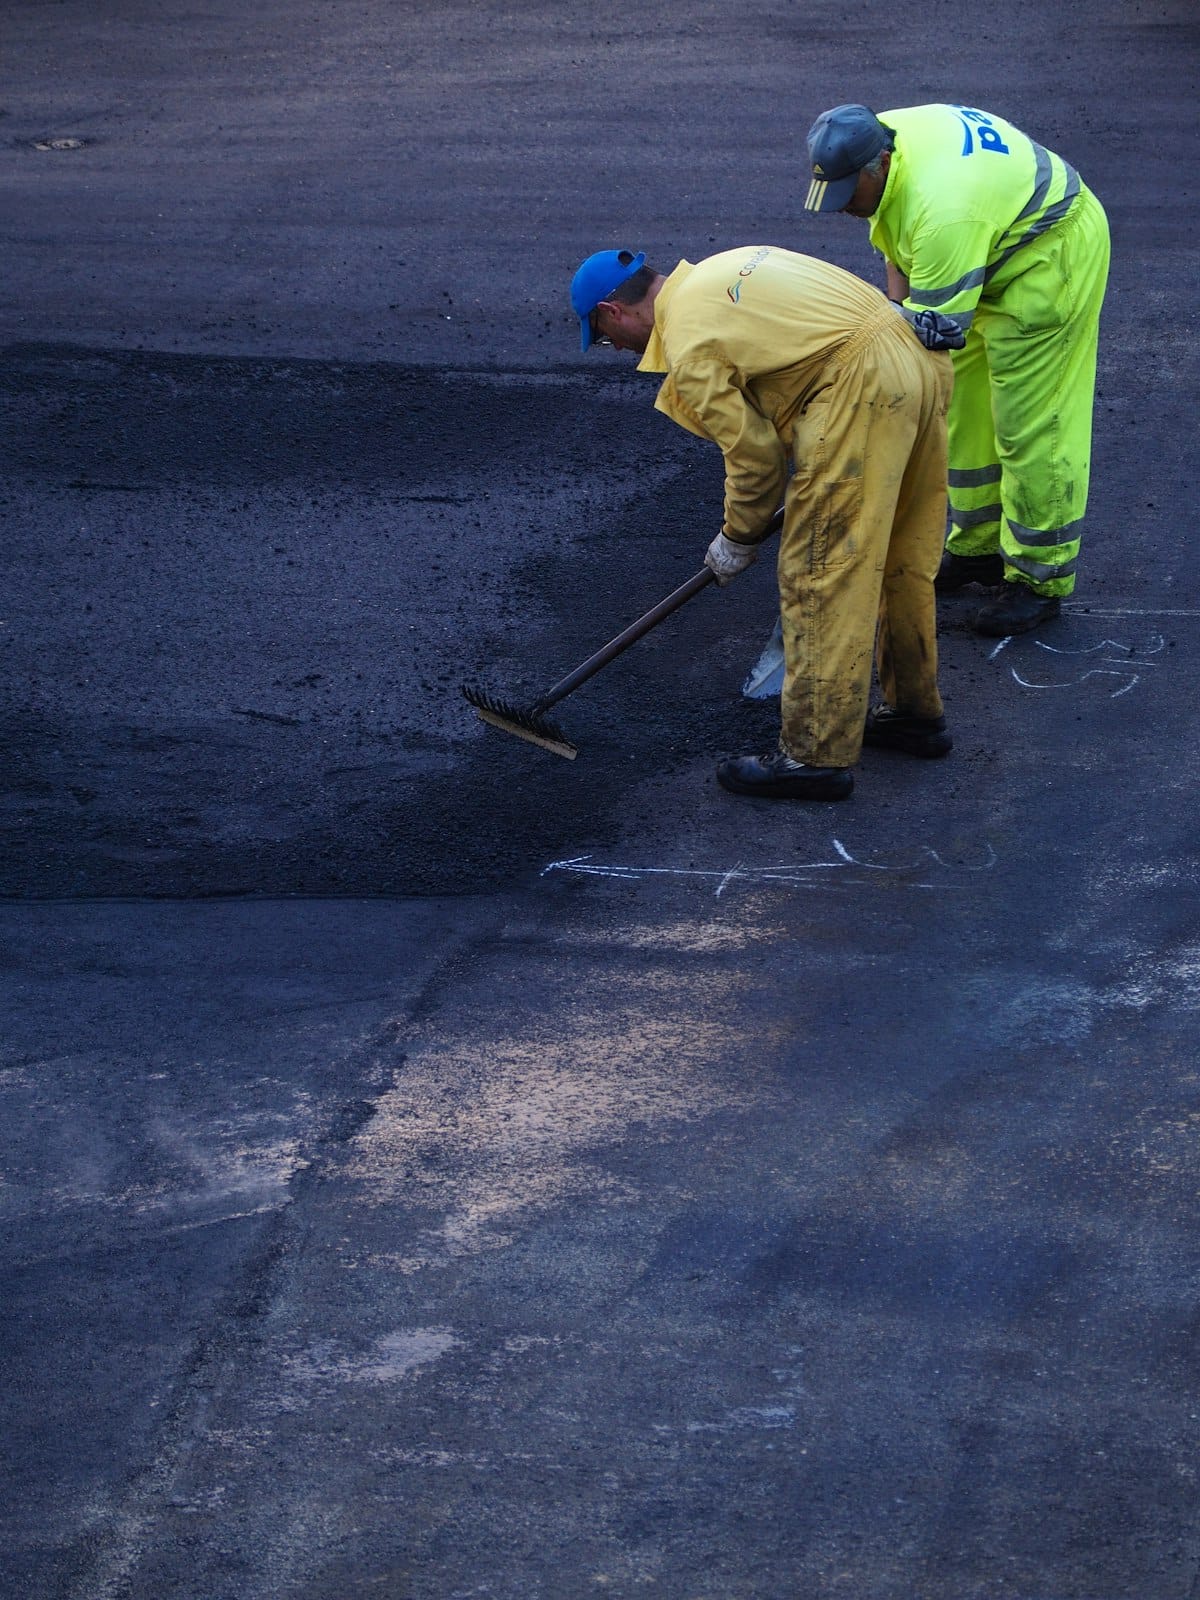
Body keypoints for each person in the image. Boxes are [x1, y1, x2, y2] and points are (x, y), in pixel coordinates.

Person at [569, 244, 955, 802]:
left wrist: (736, 537)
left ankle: (814, 756)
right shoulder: (725, 267)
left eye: (606, 339)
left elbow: (755, 459)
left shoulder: (688, 338)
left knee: (820, 571)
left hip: (858, 388)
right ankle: (914, 714)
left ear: (612, 312)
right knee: (900, 558)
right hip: (915, 364)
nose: (618, 350)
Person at [803, 102, 1110, 636]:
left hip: (1048, 256)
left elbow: (933, 338)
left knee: (1032, 424)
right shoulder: (878, 142)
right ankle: (978, 549)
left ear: (879, 164)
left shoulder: (943, 208)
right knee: (963, 411)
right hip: (985, 248)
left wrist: (884, 403)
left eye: (849, 193)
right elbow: (899, 249)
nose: (844, 206)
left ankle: (1039, 579)